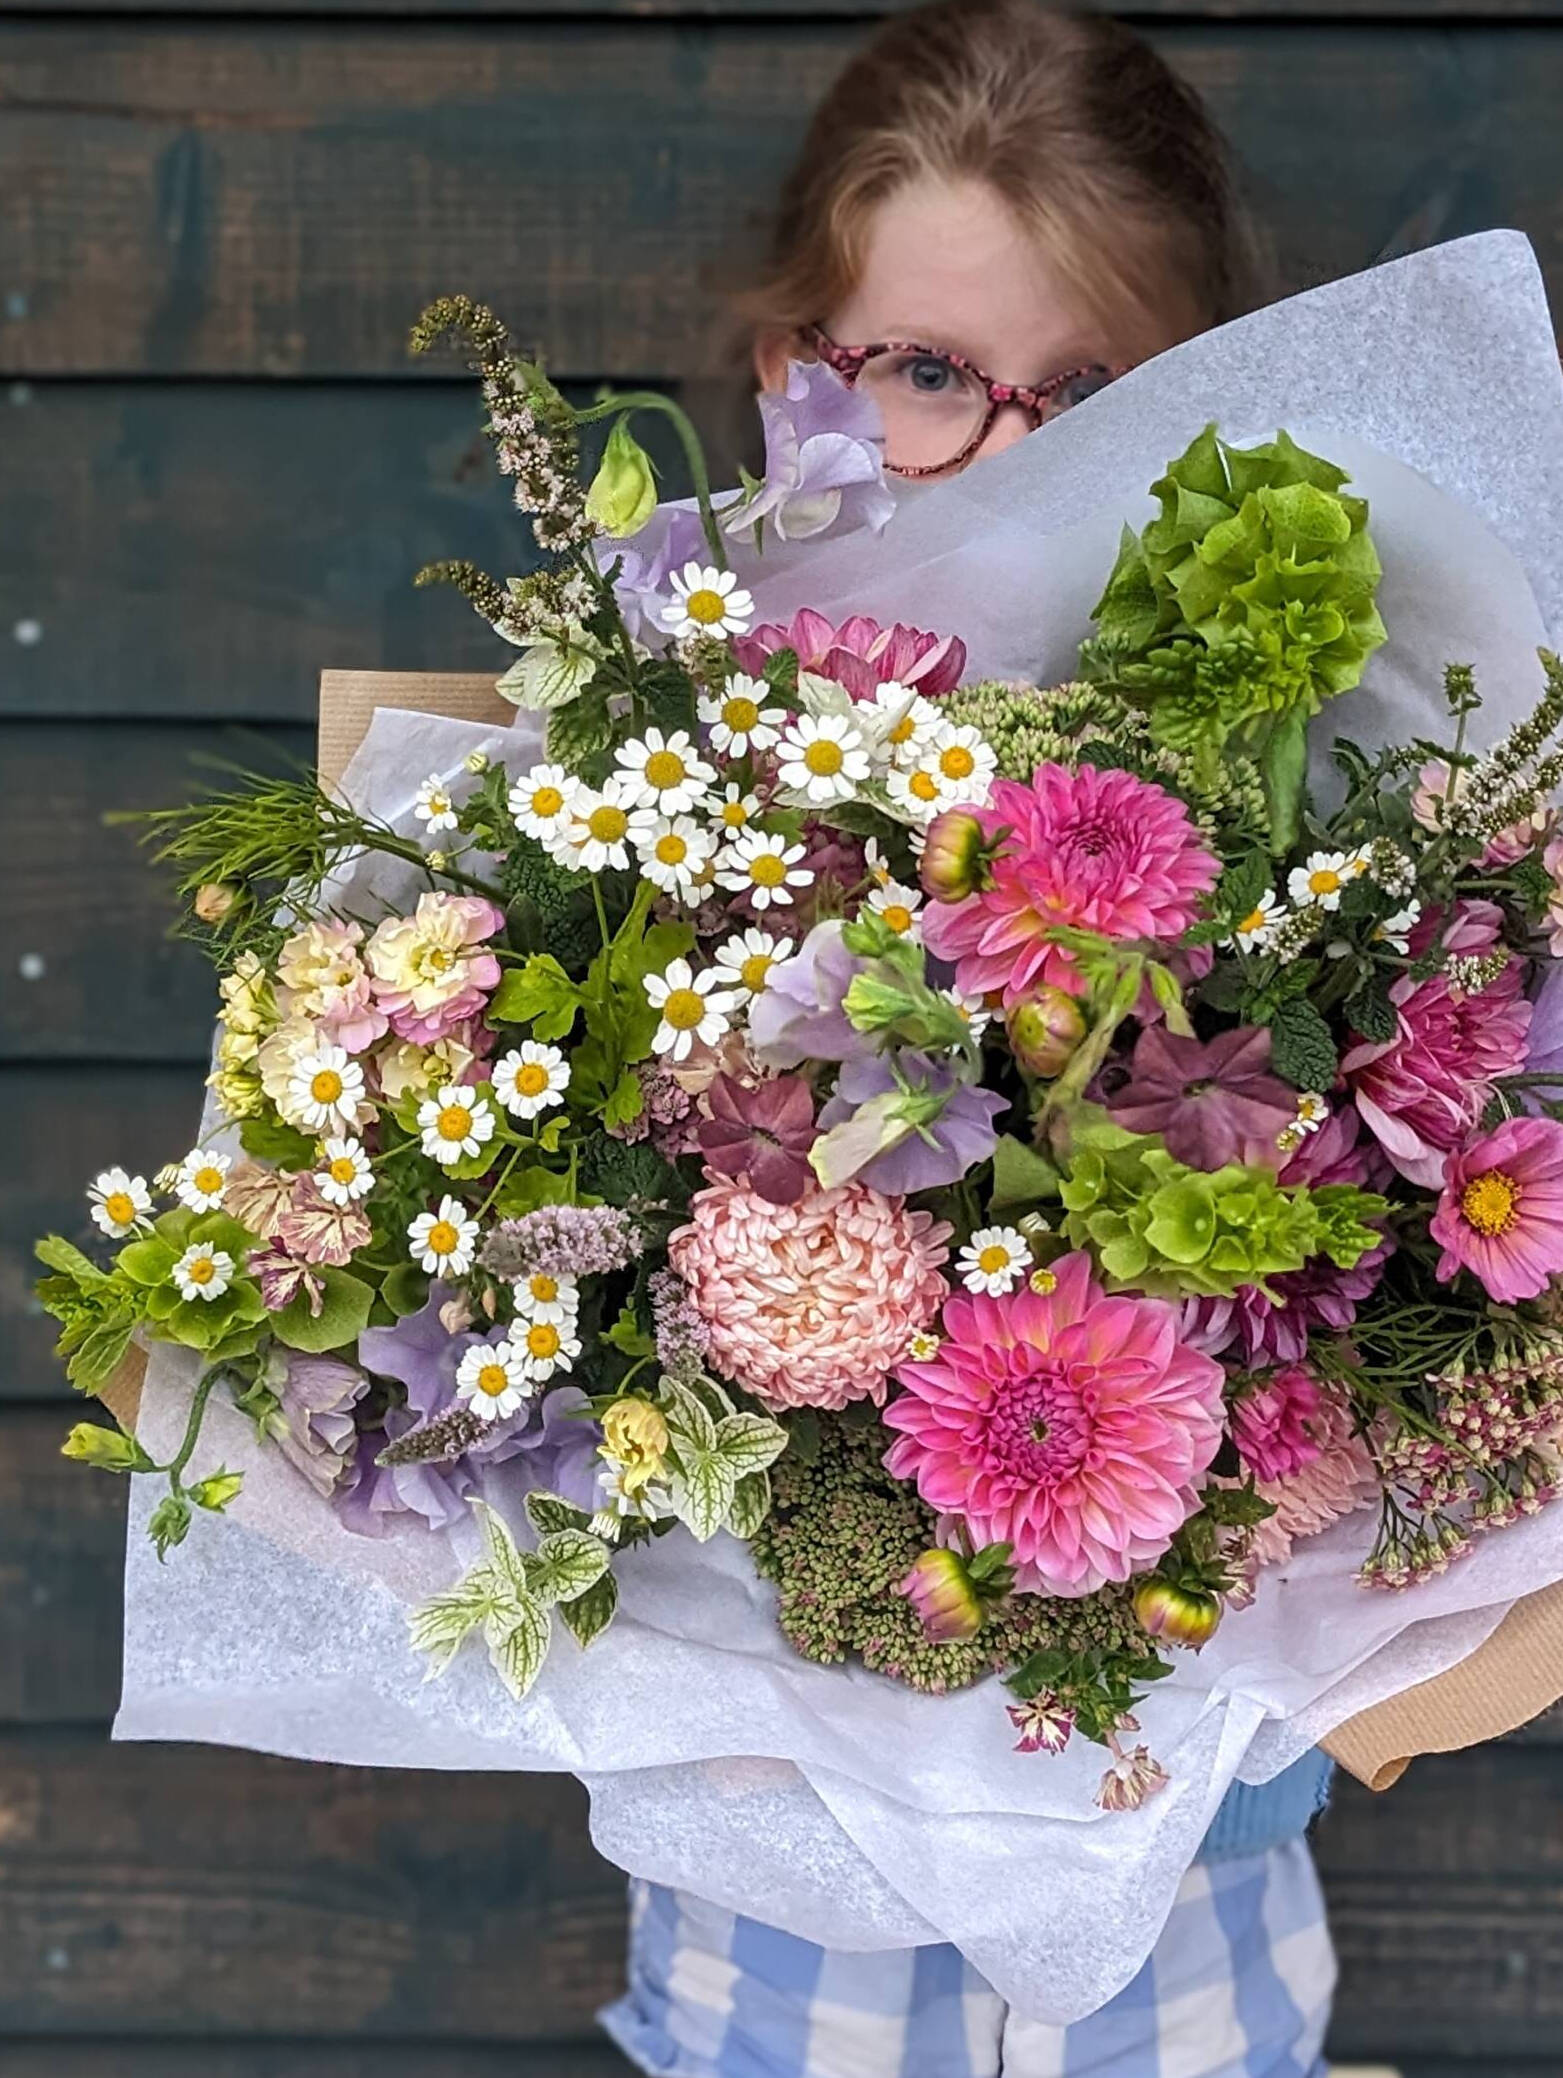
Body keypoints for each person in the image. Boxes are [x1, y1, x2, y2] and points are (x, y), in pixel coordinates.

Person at [603, 4, 1334, 2070]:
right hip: (775, 1962)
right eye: (923, 374)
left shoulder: (1303, 824)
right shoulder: (634, 806)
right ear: (788, 377)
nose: (1014, 461)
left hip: (1183, 1935)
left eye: (1092, 391)